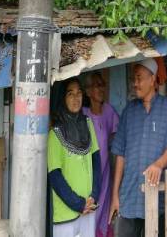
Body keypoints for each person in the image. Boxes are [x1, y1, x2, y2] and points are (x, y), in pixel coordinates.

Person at [109, 58, 167, 237]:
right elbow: (120, 154)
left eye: (139, 78)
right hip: (129, 196)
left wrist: (158, 164)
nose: (135, 84)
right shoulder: (129, 111)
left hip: (158, 198)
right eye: (133, 79)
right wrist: (115, 196)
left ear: (153, 79)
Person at [48, 79, 101, 237]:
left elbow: (96, 161)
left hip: (89, 208)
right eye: (70, 94)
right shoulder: (54, 134)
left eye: (79, 93)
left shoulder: (87, 123)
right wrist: (78, 204)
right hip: (66, 215)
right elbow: (55, 177)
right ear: (62, 99)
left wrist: (94, 196)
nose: (76, 98)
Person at [83, 72, 119, 237]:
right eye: (97, 85)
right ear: (88, 91)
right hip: (87, 177)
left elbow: (119, 135)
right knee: (88, 216)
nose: (101, 88)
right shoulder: (83, 114)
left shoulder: (108, 111)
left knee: (104, 215)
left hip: (105, 175)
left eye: (102, 84)